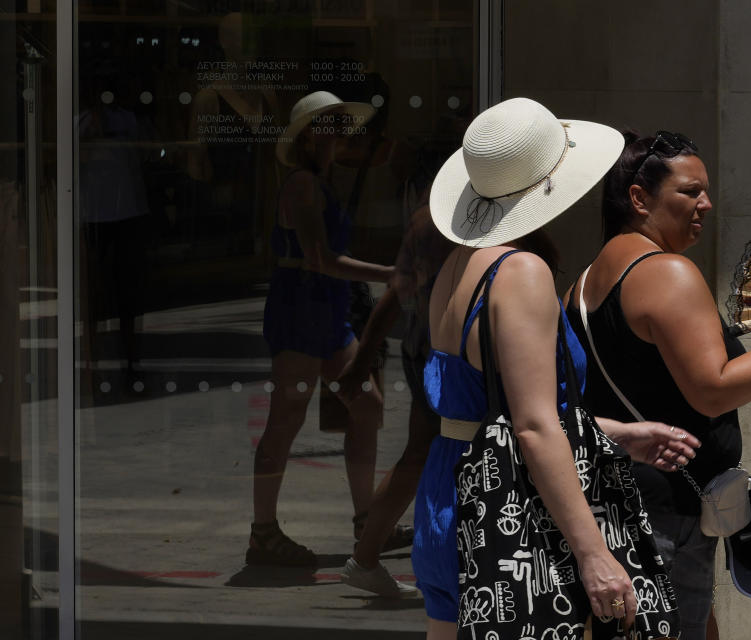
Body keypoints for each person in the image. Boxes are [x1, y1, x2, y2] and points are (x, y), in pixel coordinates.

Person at [413, 99, 699, 640]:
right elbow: (533, 426)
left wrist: (617, 434)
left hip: (448, 497)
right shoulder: (520, 271)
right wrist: (594, 555)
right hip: (505, 509)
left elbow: (490, 410)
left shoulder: (457, 265)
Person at [564, 130, 751, 639]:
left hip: (612, 501)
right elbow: (712, 390)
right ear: (639, 198)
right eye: (690, 191)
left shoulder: (583, 281)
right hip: (667, 514)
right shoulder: (666, 272)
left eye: (706, 190)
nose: (706, 204)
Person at [246, 91, 394, 567]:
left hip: (325, 310)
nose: (336, 134)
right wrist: (391, 275)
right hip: (302, 308)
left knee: (366, 405)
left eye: (339, 124)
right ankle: (263, 534)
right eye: (327, 125)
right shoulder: (304, 185)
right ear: (308, 133)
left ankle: (366, 521)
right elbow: (320, 259)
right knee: (285, 422)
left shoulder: (321, 182)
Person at [338, 205, 452, 597]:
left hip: (427, 346)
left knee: (419, 456)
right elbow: (399, 288)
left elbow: (398, 288)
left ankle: (367, 556)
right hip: (446, 350)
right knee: (434, 454)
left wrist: (364, 357)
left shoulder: (428, 215)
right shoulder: (449, 218)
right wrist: (362, 358)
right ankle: (370, 557)